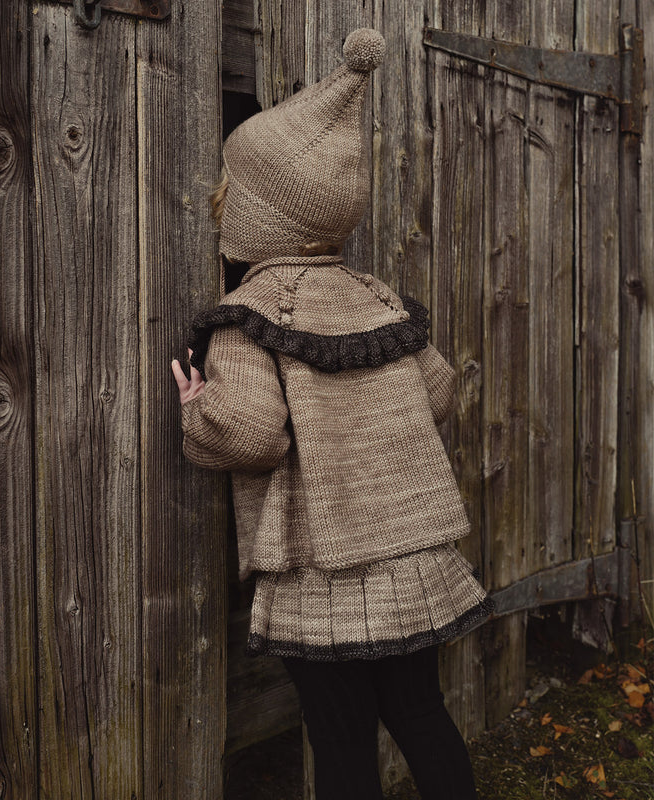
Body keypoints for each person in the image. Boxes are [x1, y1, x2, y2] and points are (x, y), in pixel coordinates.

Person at [171, 28, 491, 800]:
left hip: (323, 568)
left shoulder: (246, 316)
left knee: (340, 743)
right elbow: (440, 392)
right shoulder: (378, 297)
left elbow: (253, 433)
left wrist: (198, 412)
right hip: (411, 555)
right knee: (422, 715)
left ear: (249, 212)